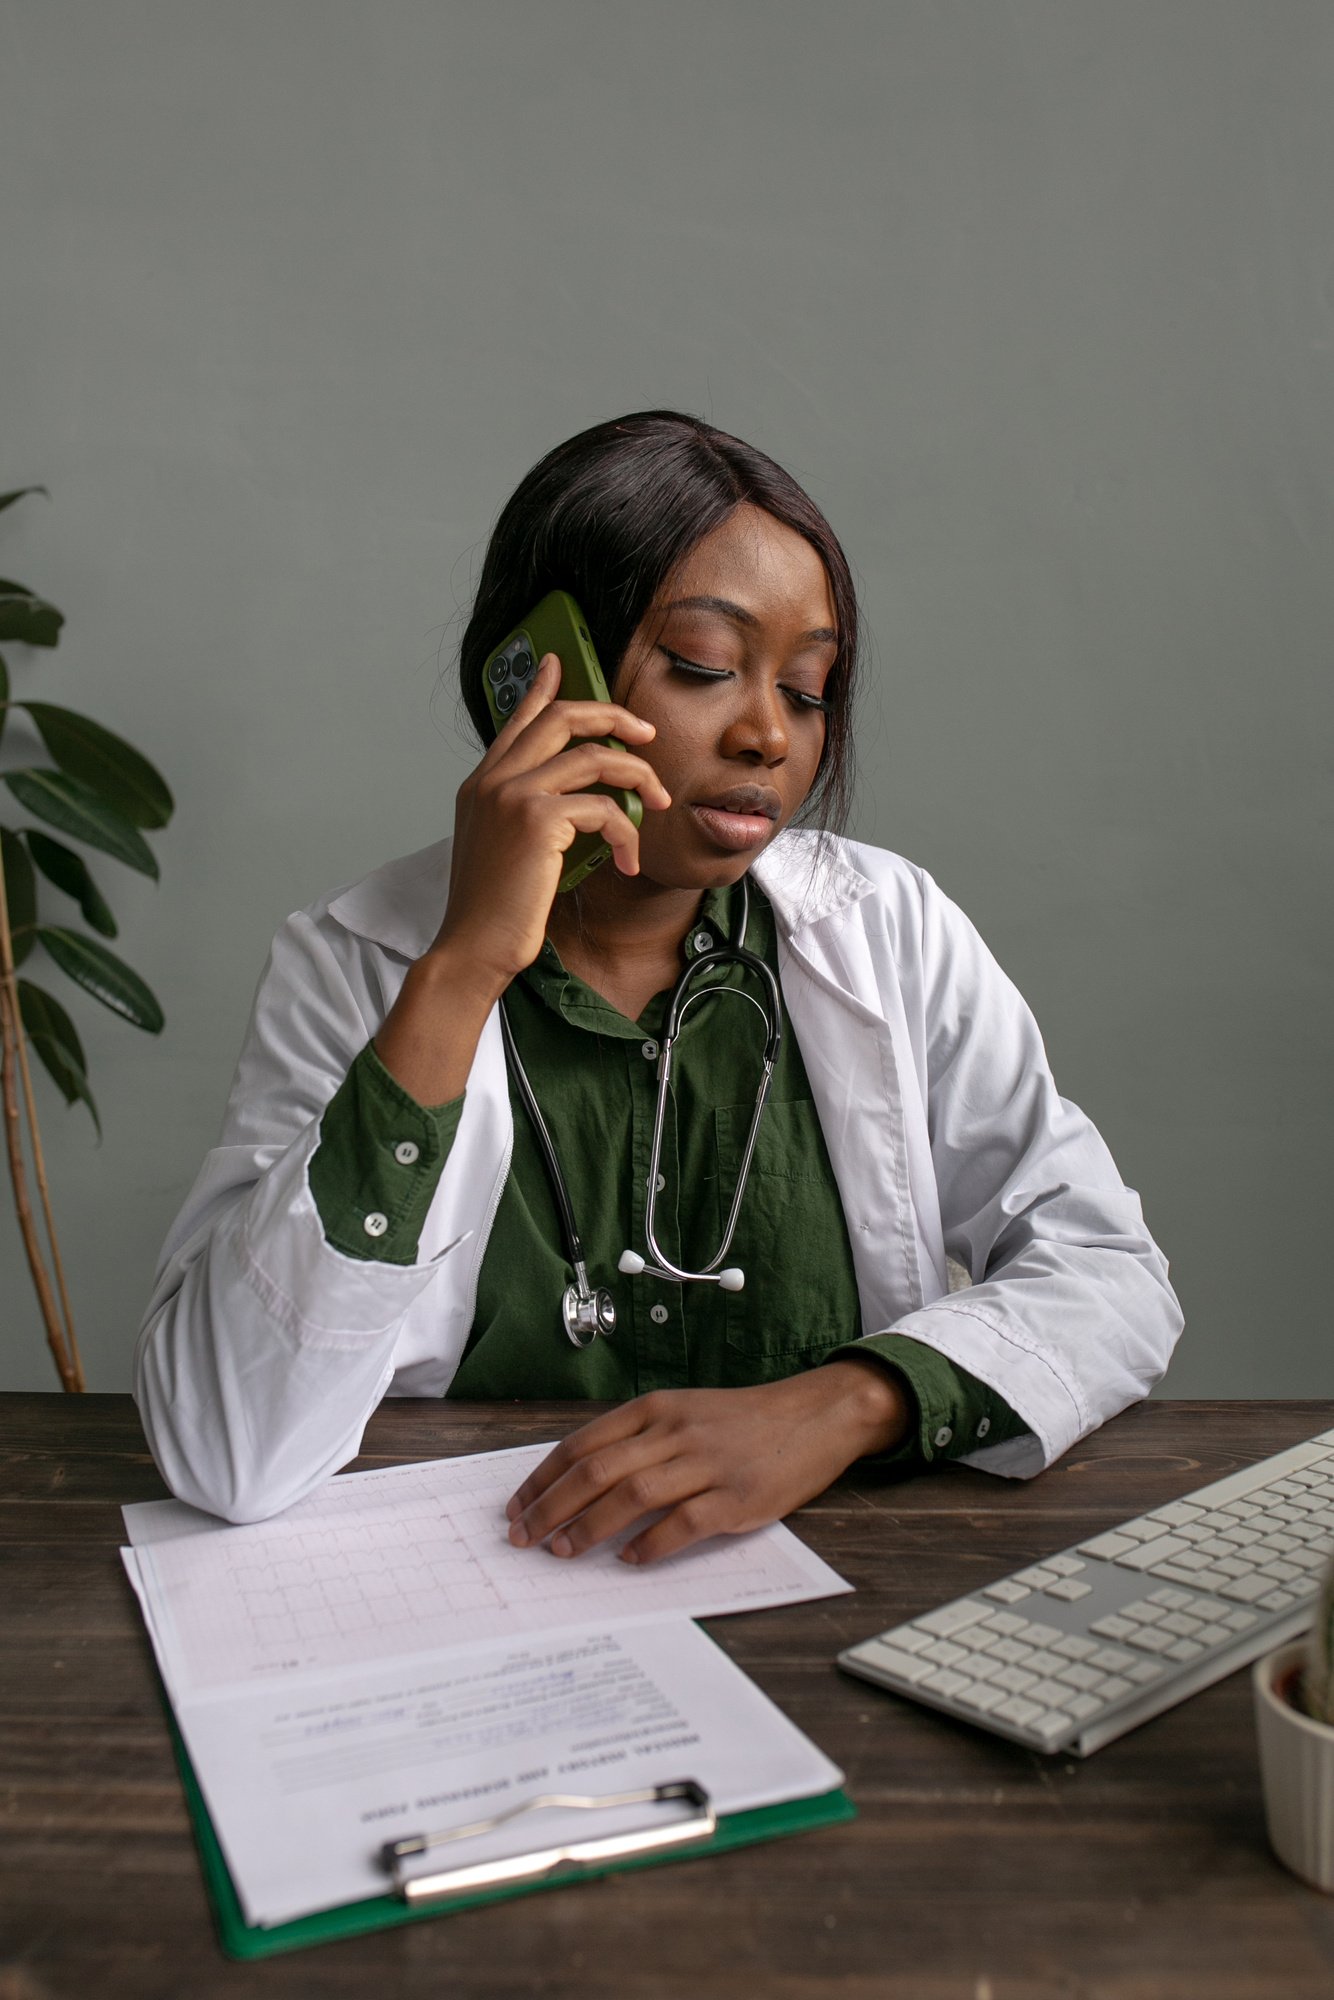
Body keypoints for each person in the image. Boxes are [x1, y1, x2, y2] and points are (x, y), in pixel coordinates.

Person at [136, 410, 1182, 1556]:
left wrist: (842, 1403)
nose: (766, 735)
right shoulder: (356, 963)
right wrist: (461, 970)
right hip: (477, 1590)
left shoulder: (890, 929)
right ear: (535, 673)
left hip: (832, 1583)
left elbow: (1109, 1276)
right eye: (703, 666)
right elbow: (227, 1449)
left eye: (808, 687)